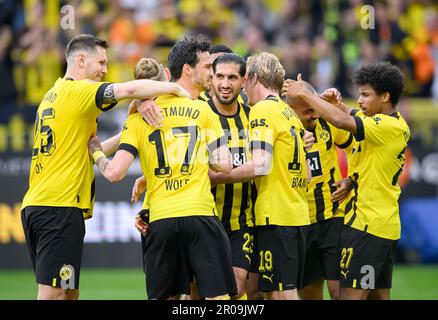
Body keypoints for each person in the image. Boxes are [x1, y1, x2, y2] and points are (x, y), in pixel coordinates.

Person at [20, 34, 190, 300]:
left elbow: (89, 149)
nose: (105, 70)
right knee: (53, 294)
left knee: (68, 292)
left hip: (43, 204)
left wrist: (131, 127)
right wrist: (175, 90)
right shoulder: (79, 91)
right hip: (58, 208)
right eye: (101, 62)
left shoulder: (54, 94)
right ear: (81, 59)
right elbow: (129, 90)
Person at [88, 35, 237, 300]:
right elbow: (225, 165)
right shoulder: (203, 111)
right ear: (187, 70)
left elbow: (113, 172)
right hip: (201, 214)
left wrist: (96, 151)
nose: (213, 74)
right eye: (207, 67)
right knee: (219, 299)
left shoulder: (140, 115)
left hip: (161, 220)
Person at [282, 62, 410, 300]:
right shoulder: (383, 123)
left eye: (365, 94)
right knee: (378, 296)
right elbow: (350, 115)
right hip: (381, 226)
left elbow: (342, 122)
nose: (359, 100)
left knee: (350, 296)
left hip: (366, 227)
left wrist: (305, 94)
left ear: (385, 96)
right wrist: (352, 180)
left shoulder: (385, 126)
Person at [210, 52, 311, 300]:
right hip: (297, 212)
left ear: (253, 78)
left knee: (282, 293)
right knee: (272, 293)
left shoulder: (263, 110)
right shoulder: (290, 115)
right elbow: (307, 174)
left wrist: (221, 177)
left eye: (243, 80)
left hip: (276, 215)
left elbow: (261, 165)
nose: (242, 88)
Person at [286, 82, 354, 300]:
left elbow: (360, 148)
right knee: (310, 295)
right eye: (307, 111)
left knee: (339, 292)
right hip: (300, 223)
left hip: (333, 218)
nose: (314, 115)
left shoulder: (328, 125)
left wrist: (351, 180)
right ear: (292, 110)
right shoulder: (282, 132)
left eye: (315, 109)